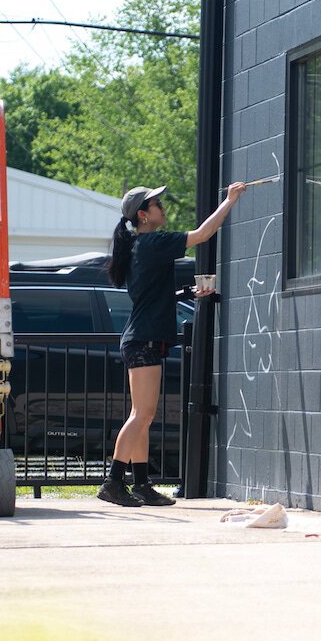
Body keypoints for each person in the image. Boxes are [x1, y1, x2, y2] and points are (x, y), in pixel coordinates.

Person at [97, 180, 245, 507]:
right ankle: (114, 481)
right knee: (142, 414)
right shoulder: (152, 243)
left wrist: (189, 293)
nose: (162, 209)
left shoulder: (139, 247)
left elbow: (153, 296)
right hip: (144, 340)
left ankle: (142, 484)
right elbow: (202, 234)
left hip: (140, 337)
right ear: (143, 215)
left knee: (142, 415)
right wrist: (229, 200)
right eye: (156, 205)